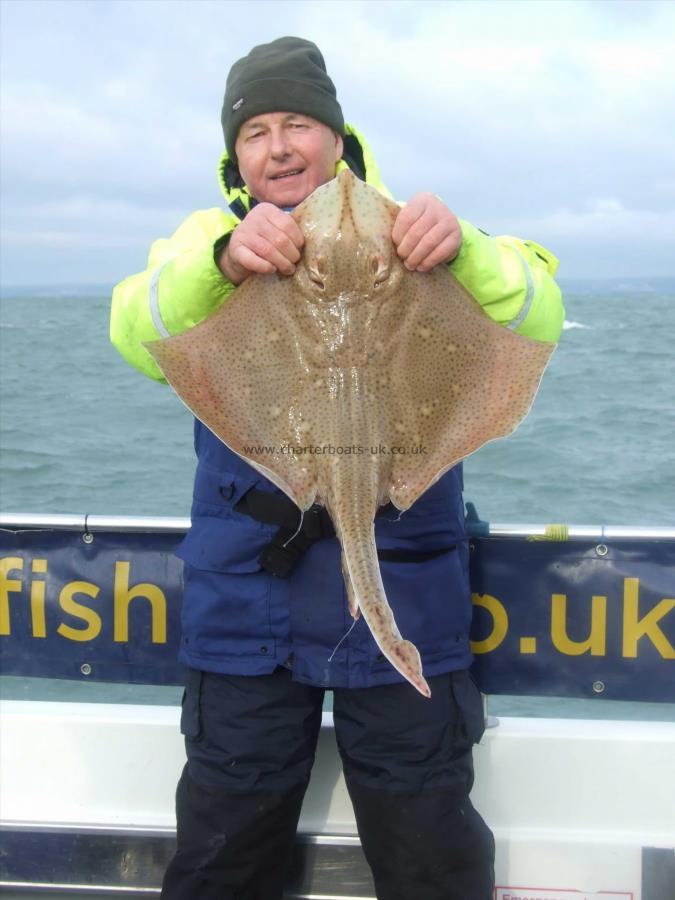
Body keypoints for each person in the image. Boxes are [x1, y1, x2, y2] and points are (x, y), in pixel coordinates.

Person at [111, 36, 563, 900]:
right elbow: (136, 328)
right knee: (225, 841)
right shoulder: (208, 238)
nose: (278, 146)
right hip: (249, 593)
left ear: (337, 136)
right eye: (256, 132)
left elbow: (539, 312)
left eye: (298, 125)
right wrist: (222, 266)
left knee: (426, 839)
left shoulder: (414, 226)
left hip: (406, 577)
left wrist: (463, 248)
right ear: (234, 153)